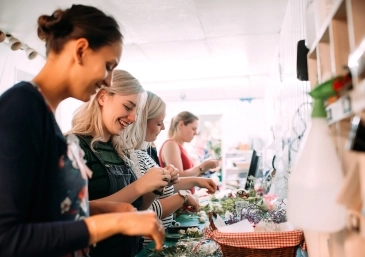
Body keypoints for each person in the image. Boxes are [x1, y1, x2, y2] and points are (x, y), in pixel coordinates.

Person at [0, 5, 164, 257]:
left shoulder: (43, 115)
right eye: (108, 66)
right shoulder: (21, 107)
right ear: (81, 50)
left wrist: (108, 210)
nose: (108, 81)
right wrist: (115, 223)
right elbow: (8, 238)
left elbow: (49, 212)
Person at [69, 70, 177, 257]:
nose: (134, 118)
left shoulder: (119, 150)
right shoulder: (73, 146)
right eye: (128, 107)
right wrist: (138, 186)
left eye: (137, 111)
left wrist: (156, 186)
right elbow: (74, 215)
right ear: (102, 97)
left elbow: (136, 209)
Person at [129, 91, 217, 245]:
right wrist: (182, 196)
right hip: (149, 244)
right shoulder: (134, 155)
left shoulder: (143, 152)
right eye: (158, 123)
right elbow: (142, 209)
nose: (163, 127)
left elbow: (163, 186)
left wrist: (196, 181)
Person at [159, 111, 220, 193]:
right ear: (181, 125)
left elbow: (190, 177)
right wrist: (202, 166)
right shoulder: (171, 145)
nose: (195, 133)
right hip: (179, 201)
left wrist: (205, 169)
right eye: (193, 129)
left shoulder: (180, 147)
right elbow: (179, 177)